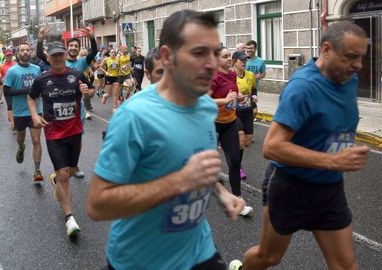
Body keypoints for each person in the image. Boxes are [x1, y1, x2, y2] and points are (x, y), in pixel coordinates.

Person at [87, 10, 245, 270]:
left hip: (198, 250)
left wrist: (221, 193)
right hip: (141, 261)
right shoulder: (134, 116)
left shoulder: (205, 106)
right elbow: (98, 204)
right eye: (198, 53)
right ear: (167, 57)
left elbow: (192, 166)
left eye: (215, 53)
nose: (211, 64)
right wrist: (179, 181)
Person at [230, 21, 370, 270]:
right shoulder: (302, 88)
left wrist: (340, 153)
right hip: (291, 187)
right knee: (269, 257)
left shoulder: (349, 79)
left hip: (329, 186)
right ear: (326, 49)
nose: (358, 65)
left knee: (346, 265)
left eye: (361, 57)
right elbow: (272, 147)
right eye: (351, 57)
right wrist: (333, 161)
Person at [28, 41, 94, 238]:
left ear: (65, 56)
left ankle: (57, 179)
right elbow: (31, 98)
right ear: (48, 58)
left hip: (74, 132)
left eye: (60, 55)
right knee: (64, 175)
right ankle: (69, 218)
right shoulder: (42, 79)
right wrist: (34, 115)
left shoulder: (76, 75)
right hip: (53, 133)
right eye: (54, 55)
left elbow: (90, 90)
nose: (57, 58)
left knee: (71, 170)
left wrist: (87, 92)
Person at [37, 23, 98, 179]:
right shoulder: (58, 60)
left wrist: (92, 38)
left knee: (77, 138)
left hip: (77, 108)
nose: (73, 47)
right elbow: (41, 55)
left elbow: (94, 52)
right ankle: (63, 168)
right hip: (56, 109)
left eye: (75, 45)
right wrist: (40, 39)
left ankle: (74, 165)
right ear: (66, 48)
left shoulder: (82, 63)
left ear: (78, 49)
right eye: (70, 45)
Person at [210, 47, 253, 217]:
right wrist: (225, 100)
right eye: (225, 56)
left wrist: (240, 97)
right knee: (208, 164)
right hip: (212, 123)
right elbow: (203, 100)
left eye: (230, 56)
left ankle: (238, 199)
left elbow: (233, 94)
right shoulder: (214, 77)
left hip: (229, 122)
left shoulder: (231, 74)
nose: (230, 59)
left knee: (235, 161)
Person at [3, 43, 44, 182]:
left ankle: (37, 170)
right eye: (22, 50)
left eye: (27, 50)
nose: (25, 52)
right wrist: (26, 91)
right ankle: (21, 148)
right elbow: (6, 90)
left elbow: (42, 87)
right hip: (20, 111)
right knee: (21, 138)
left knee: (36, 140)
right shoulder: (12, 71)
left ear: (31, 52)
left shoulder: (37, 69)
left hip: (36, 110)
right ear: (18, 53)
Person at [232, 51, 258, 179]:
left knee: (247, 142)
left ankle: (233, 156)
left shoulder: (250, 75)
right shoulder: (230, 76)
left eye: (245, 60)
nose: (244, 62)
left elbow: (253, 90)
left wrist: (254, 100)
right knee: (241, 140)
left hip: (247, 112)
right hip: (234, 112)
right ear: (235, 61)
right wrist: (236, 98)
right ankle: (237, 167)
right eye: (241, 60)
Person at [0, 49, 17, 130]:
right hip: (7, 88)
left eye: (10, 55)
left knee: (16, 105)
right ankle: (13, 123)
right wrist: (0, 79)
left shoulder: (16, 64)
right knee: (10, 105)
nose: (9, 57)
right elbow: (0, 78)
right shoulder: (2, 66)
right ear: (5, 57)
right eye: (8, 55)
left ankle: (11, 117)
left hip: (16, 87)